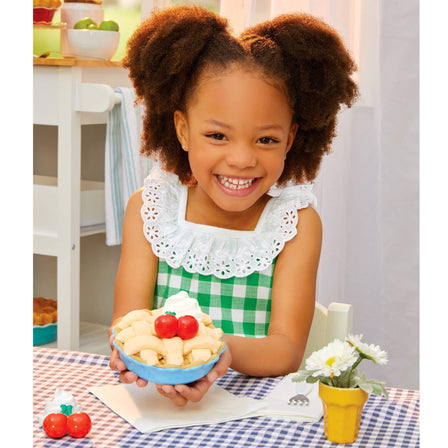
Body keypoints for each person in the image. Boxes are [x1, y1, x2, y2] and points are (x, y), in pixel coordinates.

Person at [109, 4, 358, 407]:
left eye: (266, 140)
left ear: (291, 139)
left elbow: (285, 350)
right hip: (159, 409)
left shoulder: (296, 224)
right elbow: (127, 324)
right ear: (183, 130)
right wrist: (129, 354)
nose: (242, 159)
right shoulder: (151, 209)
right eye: (218, 136)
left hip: (255, 414)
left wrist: (216, 353)